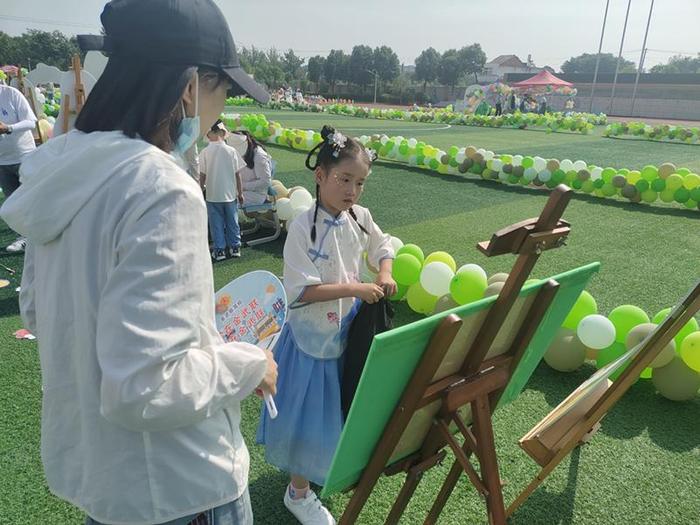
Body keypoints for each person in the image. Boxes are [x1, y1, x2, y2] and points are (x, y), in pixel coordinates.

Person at [0, 1, 278, 524]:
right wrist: (249, 363)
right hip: (183, 488)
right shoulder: (161, 188)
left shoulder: (62, 170)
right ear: (191, 86)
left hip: (107, 484)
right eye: (224, 92)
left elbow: (39, 312)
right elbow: (147, 388)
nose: (221, 112)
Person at [257, 125, 396, 525]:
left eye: (360, 182)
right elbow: (299, 291)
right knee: (306, 422)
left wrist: (384, 271)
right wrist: (356, 285)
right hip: (309, 342)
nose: (352, 190)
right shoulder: (302, 227)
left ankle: (313, 477)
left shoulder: (360, 217)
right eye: (344, 179)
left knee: (333, 412)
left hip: (344, 334)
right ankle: (298, 494)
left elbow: (383, 246)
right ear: (320, 177)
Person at [0, 82, 37, 253]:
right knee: (14, 204)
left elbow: (31, 122)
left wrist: (8, 128)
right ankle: (24, 237)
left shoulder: (11, 94)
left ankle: (44, 234)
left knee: (33, 199)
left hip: (24, 156)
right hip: (2, 162)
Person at [200, 120, 244, 261]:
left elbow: (202, 175)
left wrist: (200, 190)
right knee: (233, 221)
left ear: (209, 133)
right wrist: (240, 193)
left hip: (213, 195)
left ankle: (220, 250)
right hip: (230, 194)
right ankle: (235, 247)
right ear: (223, 133)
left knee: (216, 224)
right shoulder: (231, 151)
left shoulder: (205, 152)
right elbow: (238, 174)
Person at [236, 130, 273, 206]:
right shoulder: (241, 152)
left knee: (225, 201)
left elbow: (265, 182)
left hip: (255, 195)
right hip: (240, 191)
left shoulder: (259, 156)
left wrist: (242, 186)